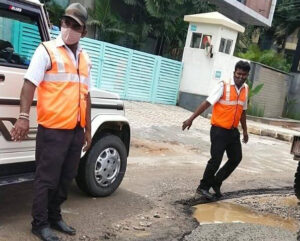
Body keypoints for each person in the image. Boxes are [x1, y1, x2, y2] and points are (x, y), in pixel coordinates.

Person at [10, 3, 92, 241]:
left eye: (75, 25)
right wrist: (23, 117)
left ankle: (55, 217)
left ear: (83, 31)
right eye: (66, 22)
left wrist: (87, 129)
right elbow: (29, 85)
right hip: (53, 131)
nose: (68, 28)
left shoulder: (85, 57)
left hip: (75, 130)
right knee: (46, 179)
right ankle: (39, 223)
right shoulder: (46, 50)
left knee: (67, 178)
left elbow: (86, 94)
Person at [182, 61, 250, 200]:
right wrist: (191, 119)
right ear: (234, 73)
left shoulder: (245, 89)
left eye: (244, 75)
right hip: (219, 130)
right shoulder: (223, 85)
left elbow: (243, 111)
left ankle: (216, 182)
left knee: (236, 158)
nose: (241, 77)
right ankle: (202, 188)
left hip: (232, 131)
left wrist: (245, 131)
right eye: (238, 74)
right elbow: (207, 103)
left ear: (247, 75)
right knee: (216, 160)